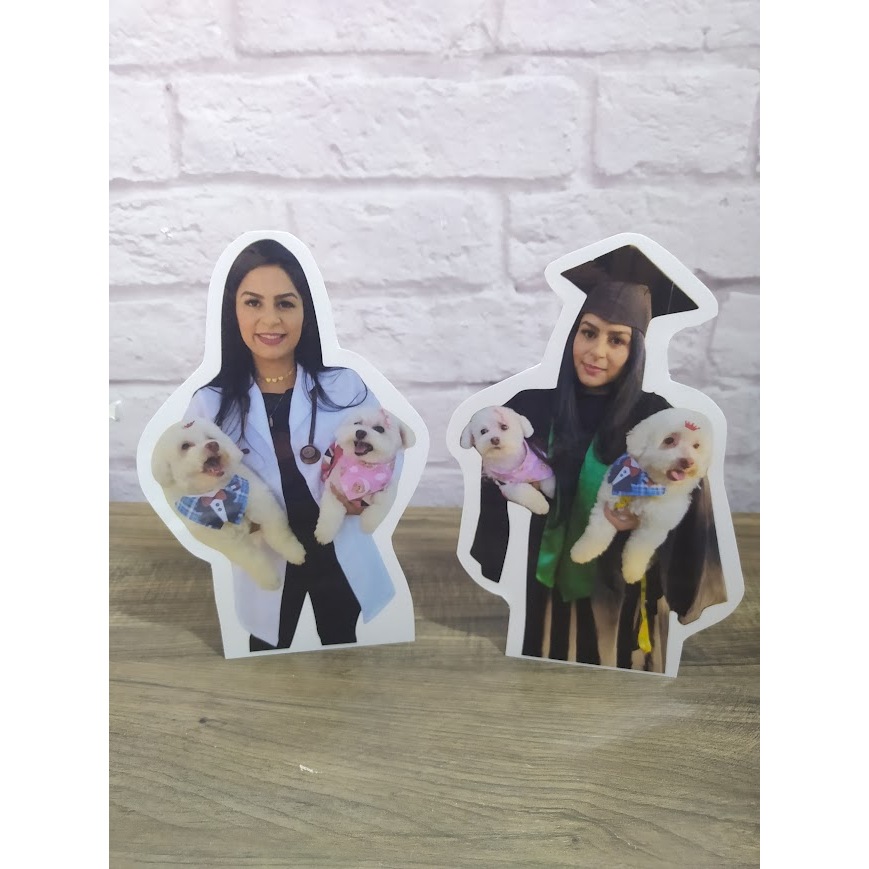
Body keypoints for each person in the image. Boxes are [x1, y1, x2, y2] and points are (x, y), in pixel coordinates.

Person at [468, 279, 726, 672]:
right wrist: (493, 554)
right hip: (544, 586)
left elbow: (690, 500)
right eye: (588, 333)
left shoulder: (657, 418)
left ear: (635, 351)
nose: (597, 351)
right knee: (539, 680)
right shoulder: (530, 408)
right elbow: (492, 476)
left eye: (617, 340)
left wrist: (644, 517)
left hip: (620, 590)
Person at [185, 239, 400, 652]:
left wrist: (367, 498)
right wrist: (231, 523)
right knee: (267, 650)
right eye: (253, 303)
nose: (271, 319)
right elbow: (184, 484)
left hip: (335, 542)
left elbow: (391, 447)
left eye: (285, 303)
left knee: (343, 646)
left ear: (306, 311)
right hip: (267, 547)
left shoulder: (344, 385)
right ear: (232, 311)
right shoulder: (209, 403)